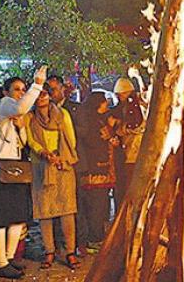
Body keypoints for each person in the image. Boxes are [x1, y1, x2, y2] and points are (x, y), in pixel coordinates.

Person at [0, 67, 47, 279]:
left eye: (23, 89)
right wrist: (37, 85)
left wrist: (20, 126)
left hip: (15, 169)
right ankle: (1, 263)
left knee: (17, 218)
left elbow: (24, 141)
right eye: (17, 89)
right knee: (0, 218)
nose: (21, 93)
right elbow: (21, 108)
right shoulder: (4, 104)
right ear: (5, 92)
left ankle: (8, 259)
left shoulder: (15, 113)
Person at [25, 87, 80, 270]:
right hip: (41, 166)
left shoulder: (62, 113)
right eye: (38, 94)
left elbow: (71, 139)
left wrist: (60, 157)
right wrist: (44, 154)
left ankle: (70, 251)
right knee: (44, 212)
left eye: (44, 94)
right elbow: (30, 140)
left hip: (62, 165)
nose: (41, 98)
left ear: (49, 96)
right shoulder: (30, 117)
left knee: (67, 210)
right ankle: (49, 251)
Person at [75, 92, 117, 250]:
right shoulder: (93, 122)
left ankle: (94, 237)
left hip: (100, 170)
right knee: (95, 206)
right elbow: (96, 141)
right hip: (96, 170)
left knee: (98, 205)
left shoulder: (98, 119)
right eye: (104, 102)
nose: (107, 104)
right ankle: (94, 239)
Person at [110, 77, 144, 204]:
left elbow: (136, 124)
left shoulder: (139, 107)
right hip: (123, 151)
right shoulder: (119, 108)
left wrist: (121, 126)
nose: (119, 97)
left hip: (136, 148)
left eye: (121, 94)